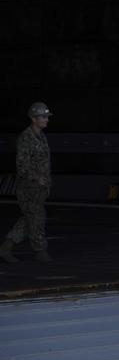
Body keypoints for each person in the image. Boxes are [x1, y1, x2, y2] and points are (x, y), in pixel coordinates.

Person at [0, 102, 53, 263]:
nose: (46, 120)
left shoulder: (41, 137)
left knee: (29, 217)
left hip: (40, 188)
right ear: (33, 118)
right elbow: (22, 165)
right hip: (28, 187)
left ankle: (5, 248)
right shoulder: (26, 138)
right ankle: (40, 250)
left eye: (47, 117)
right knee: (36, 216)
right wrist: (37, 177)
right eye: (43, 117)